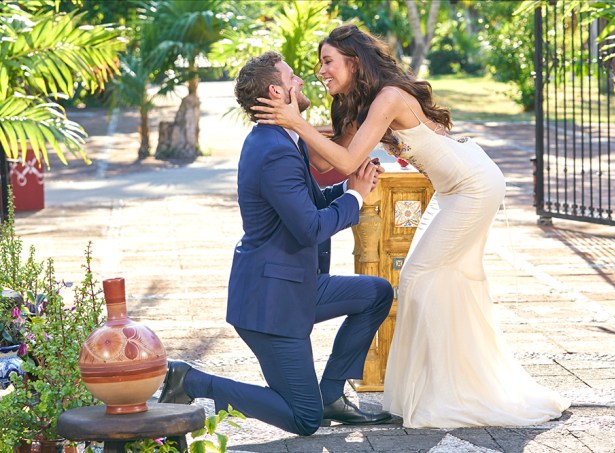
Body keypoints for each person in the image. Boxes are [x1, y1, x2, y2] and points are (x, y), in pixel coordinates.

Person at [253, 24, 571, 429]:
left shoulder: (388, 97)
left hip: (474, 185)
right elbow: (322, 163)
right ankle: (456, 385)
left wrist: (295, 121)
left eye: (328, 61)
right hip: (450, 190)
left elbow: (347, 163)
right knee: (444, 282)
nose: (320, 71)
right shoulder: (362, 104)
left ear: (354, 61)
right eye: (319, 64)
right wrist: (288, 123)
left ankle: (447, 393)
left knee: (419, 277)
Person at [158, 51, 395, 436]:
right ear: (276, 91)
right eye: (292, 78)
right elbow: (308, 229)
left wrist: (350, 187)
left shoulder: (284, 138)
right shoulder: (273, 151)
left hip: (296, 285)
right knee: (303, 419)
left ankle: (332, 394)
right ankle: (193, 382)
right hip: (272, 303)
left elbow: (306, 201)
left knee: (376, 293)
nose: (301, 82)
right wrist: (354, 201)